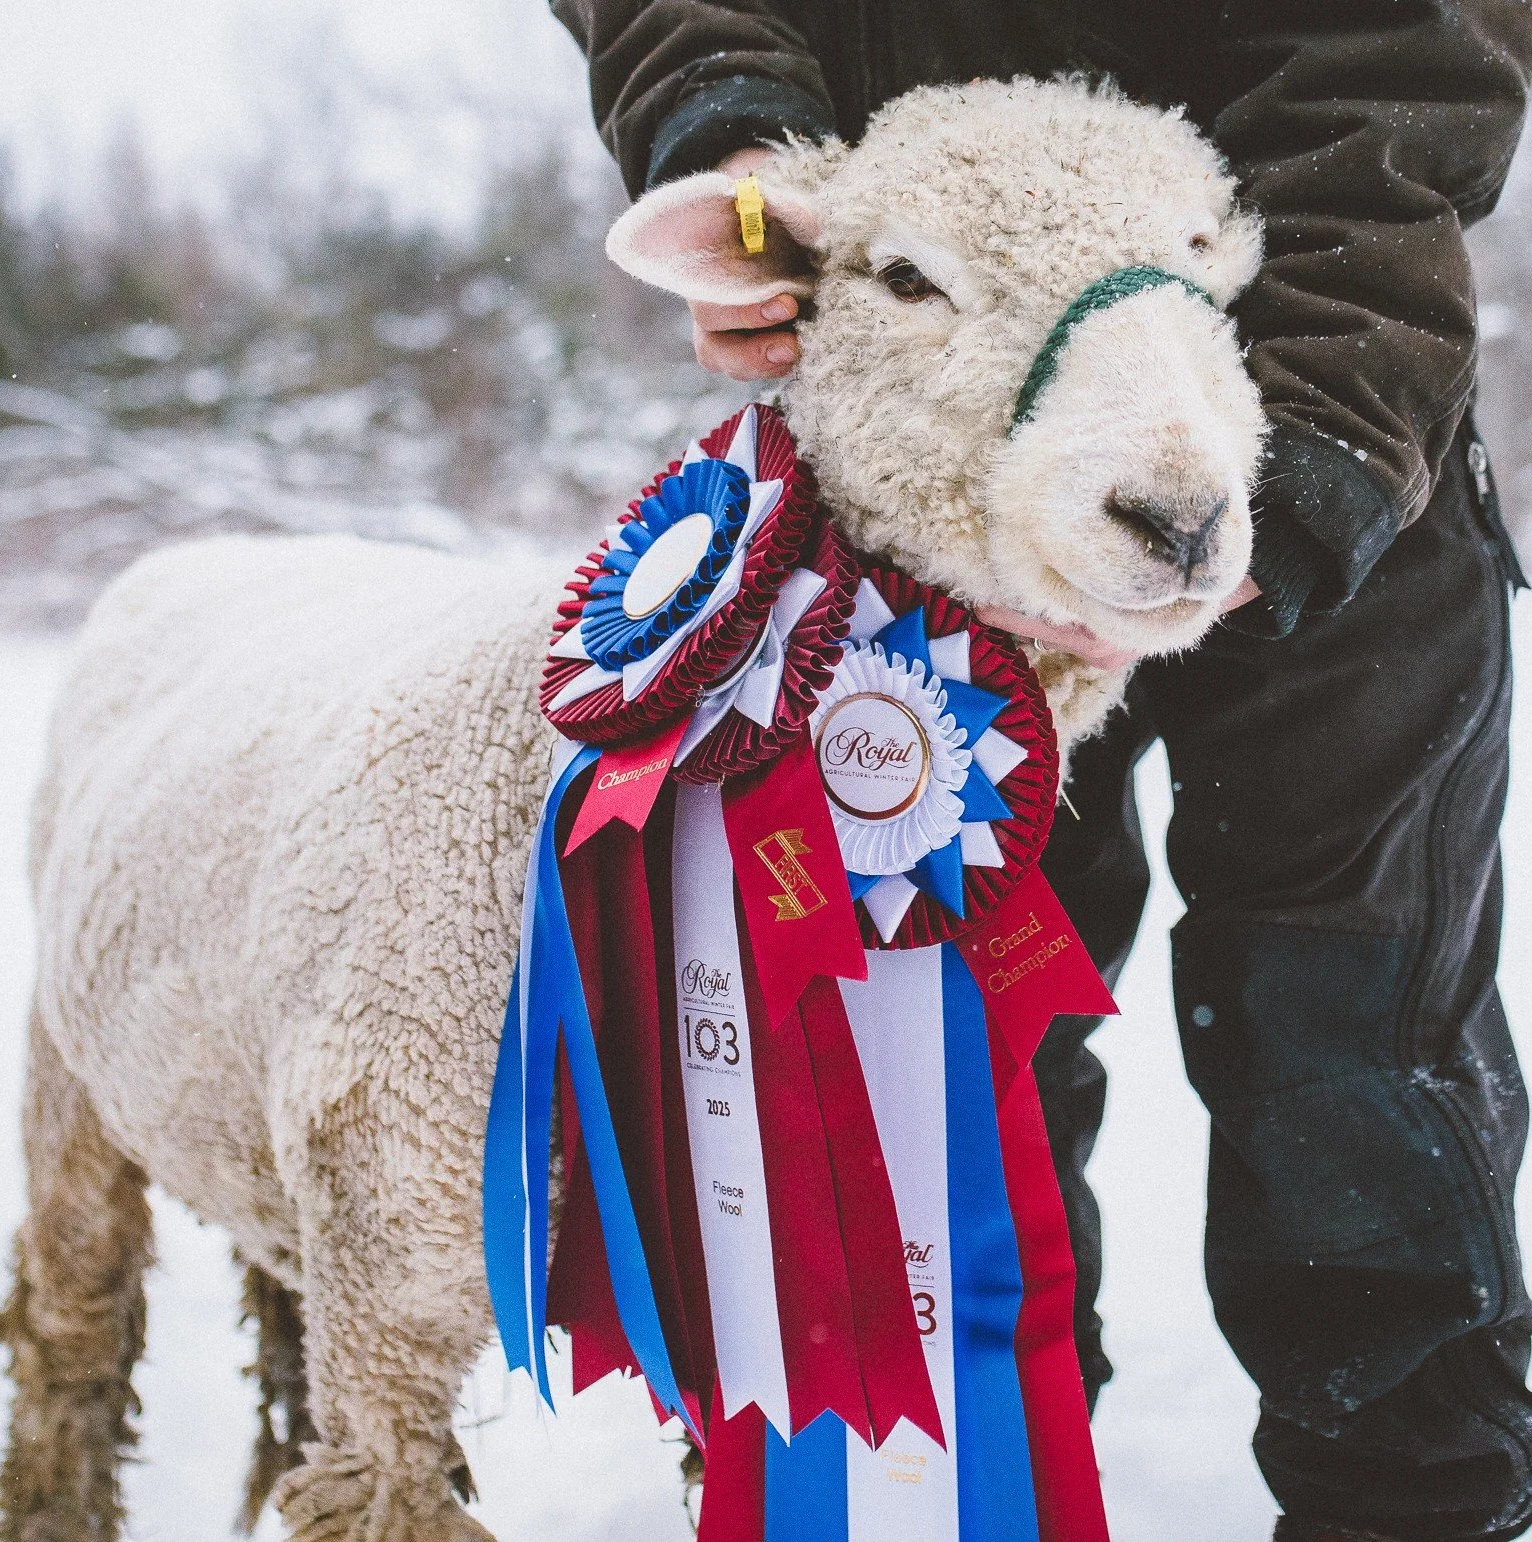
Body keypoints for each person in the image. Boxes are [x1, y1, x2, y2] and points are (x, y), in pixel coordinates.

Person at [550, 4, 1532, 1539]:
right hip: (935, 468)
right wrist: (730, 127)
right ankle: (966, 1489)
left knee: (1349, 1033)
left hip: (1299, 414)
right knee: (928, 1047)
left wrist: (1322, 424)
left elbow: (1405, 40)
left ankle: (1405, 1508)